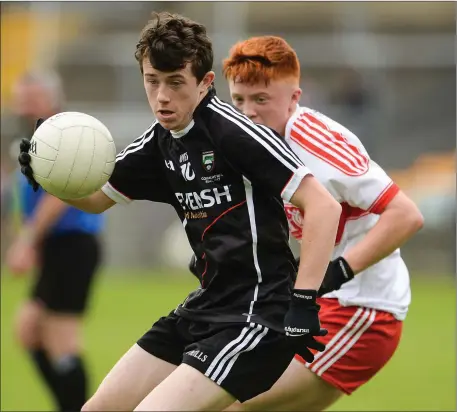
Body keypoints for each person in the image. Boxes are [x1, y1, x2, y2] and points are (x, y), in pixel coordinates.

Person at [18, 12, 342, 412]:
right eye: (152, 81)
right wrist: (47, 174)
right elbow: (96, 199)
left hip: (258, 313)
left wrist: (304, 302)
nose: (162, 97)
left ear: (205, 83)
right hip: (206, 305)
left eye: (175, 83)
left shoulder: (233, 133)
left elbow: (323, 206)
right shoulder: (159, 143)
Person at [220, 36, 424, 411]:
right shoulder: (256, 143)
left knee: (227, 402)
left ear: (295, 97)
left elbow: (406, 215)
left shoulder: (314, 141)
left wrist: (338, 271)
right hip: (324, 304)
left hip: (362, 311)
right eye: (239, 100)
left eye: (261, 100)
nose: (248, 113)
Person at [5, 72, 104, 411]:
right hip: (55, 246)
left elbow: (59, 196)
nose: (24, 104)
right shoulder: (32, 136)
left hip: (73, 244)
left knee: (61, 337)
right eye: (21, 97)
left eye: (32, 96)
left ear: (52, 98)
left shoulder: (62, 134)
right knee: (29, 330)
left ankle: (77, 407)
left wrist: (27, 241)